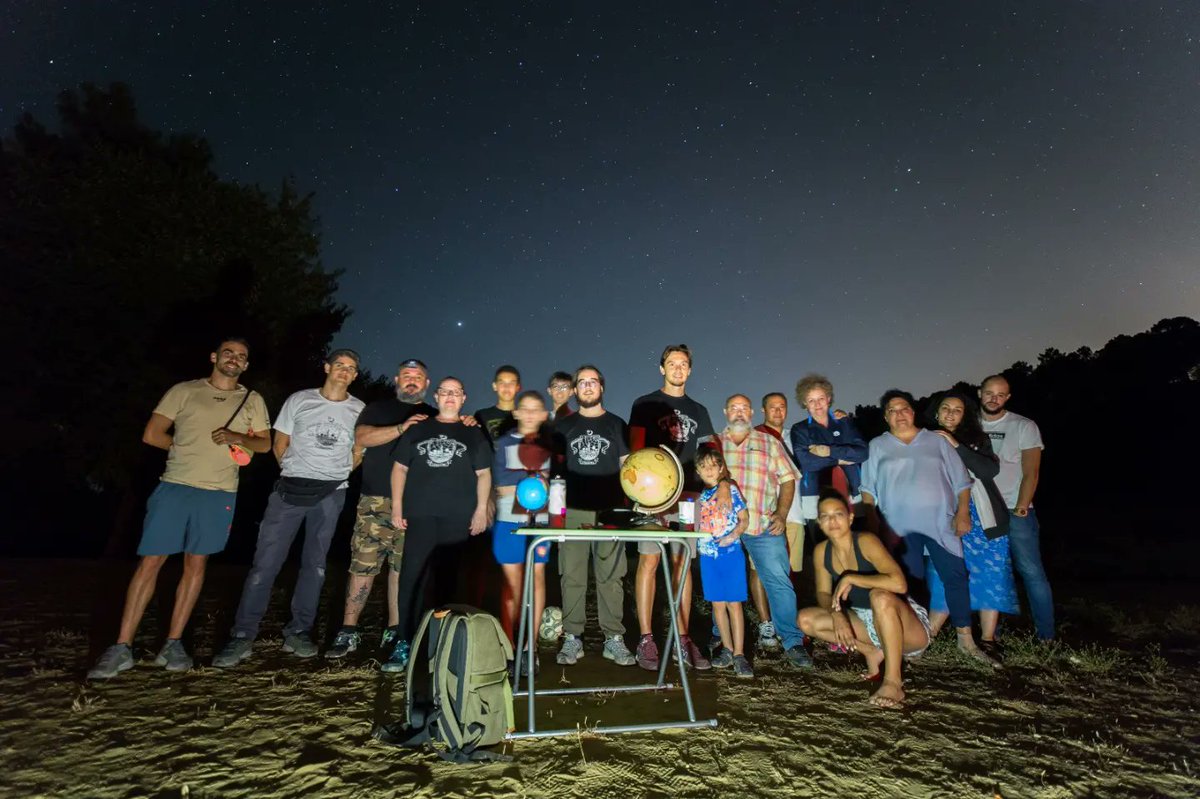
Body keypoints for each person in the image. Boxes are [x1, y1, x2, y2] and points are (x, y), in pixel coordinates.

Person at [88, 338, 271, 679]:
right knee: (151, 561)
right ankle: (121, 647)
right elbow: (152, 433)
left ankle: (173, 643)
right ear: (214, 357)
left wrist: (238, 437)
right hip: (174, 486)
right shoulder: (184, 390)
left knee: (196, 563)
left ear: (246, 366)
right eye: (228, 353)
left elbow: (264, 444)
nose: (234, 359)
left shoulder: (252, 399)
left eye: (242, 356)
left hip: (218, 493)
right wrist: (182, 447)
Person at [213, 349, 365, 667]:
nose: (344, 371)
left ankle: (299, 631)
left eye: (351, 369)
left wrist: (335, 477)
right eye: (339, 365)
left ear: (354, 376)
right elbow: (280, 443)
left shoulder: (359, 409)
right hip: (288, 492)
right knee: (264, 565)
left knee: (316, 566)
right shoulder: (299, 400)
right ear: (327, 367)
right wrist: (293, 471)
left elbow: (358, 451)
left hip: (331, 495)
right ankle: (242, 636)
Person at [859, 390, 998, 667]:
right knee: (908, 583)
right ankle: (913, 641)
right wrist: (873, 525)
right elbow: (868, 491)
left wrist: (962, 514)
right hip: (898, 527)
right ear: (886, 416)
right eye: (892, 410)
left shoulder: (937, 440)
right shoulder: (877, 445)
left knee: (955, 577)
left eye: (905, 408)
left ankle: (965, 638)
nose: (900, 414)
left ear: (913, 411)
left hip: (940, 522)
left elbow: (961, 482)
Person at [325, 358, 437, 660]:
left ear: (426, 383)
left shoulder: (436, 416)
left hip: (416, 505)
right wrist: (402, 428)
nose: (411, 380)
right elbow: (361, 437)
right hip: (374, 501)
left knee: (402, 570)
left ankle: (396, 632)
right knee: (363, 566)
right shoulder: (377, 409)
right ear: (396, 380)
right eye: (406, 376)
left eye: (418, 376)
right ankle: (348, 630)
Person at [383, 377, 493, 672]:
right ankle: (405, 642)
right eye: (445, 392)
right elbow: (399, 468)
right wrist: (397, 505)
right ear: (437, 396)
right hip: (420, 515)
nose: (450, 397)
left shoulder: (473, 434)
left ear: (464, 398)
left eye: (456, 392)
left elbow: (483, 474)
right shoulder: (419, 428)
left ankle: (442, 646)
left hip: (457, 517)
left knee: (448, 582)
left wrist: (481, 510)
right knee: (412, 578)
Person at [798, 492, 933, 708]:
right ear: (819, 522)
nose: (832, 521)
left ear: (850, 518)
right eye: (825, 516)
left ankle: (893, 682)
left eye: (838, 514)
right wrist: (837, 614)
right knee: (805, 619)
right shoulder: (822, 551)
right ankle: (871, 651)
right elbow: (823, 594)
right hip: (866, 624)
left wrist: (851, 577)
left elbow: (899, 584)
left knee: (879, 597)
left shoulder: (866, 541)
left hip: (905, 627)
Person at [628, 344, 716, 671]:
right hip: (652, 495)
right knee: (649, 561)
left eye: (683, 363)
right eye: (671, 363)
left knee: (683, 565)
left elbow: (708, 454)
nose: (677, 368)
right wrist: (637, 492)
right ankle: (646, 638)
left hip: (688, 496)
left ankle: (683, 638)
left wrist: (717, 486)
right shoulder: (645, 404)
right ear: (661, 368)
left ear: (690, 370)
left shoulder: (699, 410)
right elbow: (635, 448)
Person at [551, 365, 637, 666]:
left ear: (602, 387)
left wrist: (635, 505)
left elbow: (629, 467)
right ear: (575, 390)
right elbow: (555, 471)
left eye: (593, 382)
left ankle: (613, 638)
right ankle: (573, 637)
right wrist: (556, 512)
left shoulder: (616, 424)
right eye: (582, 382)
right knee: (572, 575)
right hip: (573, 509)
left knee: (611, 577)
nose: (587, 387)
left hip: (610, 509)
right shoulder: (563, 426)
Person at [718, 394, 812, 668]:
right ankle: (721, 639)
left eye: (744, 408)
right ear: (725, 411)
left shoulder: (768, 442)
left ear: (751, 413)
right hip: (725, 528)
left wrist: (782, 514)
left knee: (779, 582)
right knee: (725, 584)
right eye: (733, 407)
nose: (739, 412)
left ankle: (792, 641)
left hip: (762, 524)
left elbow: (787, 479)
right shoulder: (713, 443)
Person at [923, 390, 1018, 657]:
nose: (950, 414)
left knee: (990, 574)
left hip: (985, 517)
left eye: (957, 409)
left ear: (965, 415)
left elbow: (989, 471)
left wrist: (955, 444)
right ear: (936, 411)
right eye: (945, 408)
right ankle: (929, 634)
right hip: (944, 518)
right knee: (945, 573)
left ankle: (987, 639)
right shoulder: (922, 440)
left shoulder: (976, 439)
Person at [980, 374, 1055, 641]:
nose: (994, 399)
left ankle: (1045, 636)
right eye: (989, 393)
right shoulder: (969, 425)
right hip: (982, 512)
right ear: (980, 393)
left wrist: (1022, 506)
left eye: (1000, 395)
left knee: (1032, 571)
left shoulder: (1024, 425)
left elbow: (1031, 472)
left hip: (1015, 509)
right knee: (992, 572)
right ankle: (993, 636)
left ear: (1008, 398)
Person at [492, 390, 553, 661]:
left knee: (537, 578)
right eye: (524, 408)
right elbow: (500, 487)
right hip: (509, 522)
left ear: (543, 414)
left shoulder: (551, 445)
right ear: (515, 412)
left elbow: (555, 484)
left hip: (540, 522)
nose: (529, 414)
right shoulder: (503, 444)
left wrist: (544, 485)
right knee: (514, 585)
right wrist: (529, 484)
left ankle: (532, 645)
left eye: (535, 409)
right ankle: (510, 643)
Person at [742, 391, 806, 653]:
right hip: (765, 516)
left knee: (789, 574)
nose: (778, 412)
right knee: (760, 571)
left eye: (782, 407)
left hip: (795, 514)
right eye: (772, 407)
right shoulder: (754, 437)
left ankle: (790, 627)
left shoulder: (795, 435)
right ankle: (766, 624)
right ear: (763, 410)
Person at [694, 448, 754, 678]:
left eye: (713, 465)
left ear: (721, 468)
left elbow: (744, 519)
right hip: (708, 557)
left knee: (734, 604)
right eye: (703, 467)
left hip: (731, 554)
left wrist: (734, 535)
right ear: (698, 471)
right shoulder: (700, 497)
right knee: (718, 604)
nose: (708, 470)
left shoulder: (731, 490)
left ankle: (739, 654)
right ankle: (727, 649)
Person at [789, 373, 867, 538]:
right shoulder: (800, 429)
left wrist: (828, 451)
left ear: (829, 399)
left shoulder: (844, 422)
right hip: (814, 494)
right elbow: (807, 462)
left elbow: (862, 452)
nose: (817, 404)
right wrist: (842, 458)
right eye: (811, 400)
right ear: (804, 403)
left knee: (859, 543)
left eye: (821, 398)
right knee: (823, 547)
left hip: (853, 494)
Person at [472, 364, 521, 442]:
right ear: (495, 386)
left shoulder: (526, 417)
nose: (506, 387)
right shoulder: (481, 416)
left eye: (511, 383)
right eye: (502, 383)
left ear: (518, 387)